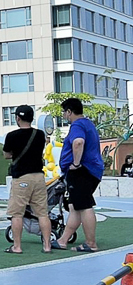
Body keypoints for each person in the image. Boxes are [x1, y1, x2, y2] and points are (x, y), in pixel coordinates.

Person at [54, 97, 104, 252]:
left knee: (84, 206)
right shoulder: (88, 124)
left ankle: (91, 243)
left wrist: (75, 164)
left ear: (69, 112)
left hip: (82, 171)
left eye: (64, 112)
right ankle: (63, 240)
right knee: (75, 206)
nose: (63, 116)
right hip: (90, 170)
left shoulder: (77, 125)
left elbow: (78, 142)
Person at [2, 105, 50, 255]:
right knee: (42, 213)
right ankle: (47, 246)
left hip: (22, 177)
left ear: (17, 118)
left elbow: (6, 155)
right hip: (39, 177)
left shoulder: (11, 136)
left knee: (17, 213)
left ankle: (17, 246)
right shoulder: (40, 134)